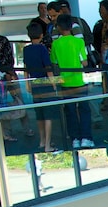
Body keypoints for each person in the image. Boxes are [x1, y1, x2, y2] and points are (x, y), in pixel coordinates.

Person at [50, 14, 94, 150]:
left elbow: (54, 62)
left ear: (58, 27)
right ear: (72, 27)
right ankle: (86, 138)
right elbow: (85, 62)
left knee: (70, 111)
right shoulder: (78, 42)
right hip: (79, 80)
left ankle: (75, 139)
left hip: (65, 82)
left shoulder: (56, 44)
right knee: (84, 110)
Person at [23, 22, 60, 153]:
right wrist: (54, 83)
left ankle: (42, 140)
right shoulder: (43, 49)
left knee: (39, 115)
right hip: (45, 83)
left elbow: (26, 68)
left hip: (34, 84)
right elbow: (48, 68)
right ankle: (48, 145)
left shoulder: (26, 49)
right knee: (48, 115)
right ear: (41, 34)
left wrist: (27, 84)